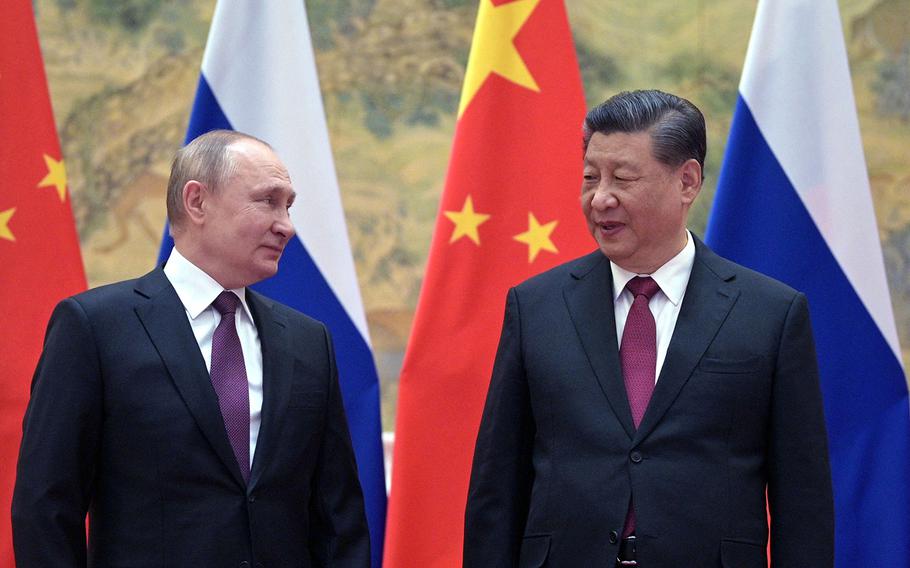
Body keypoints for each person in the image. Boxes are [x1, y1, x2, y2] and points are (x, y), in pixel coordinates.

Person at [463, 90, 833, 567]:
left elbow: (802, 500)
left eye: (623, 179)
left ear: (687, 181)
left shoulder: (770, 314)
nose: (600, 198)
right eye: (590, 178)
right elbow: (498, 485)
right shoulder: (537, 307)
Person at [12, 130, 370, 567]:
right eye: (268, 201)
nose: (287, 226)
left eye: (288, 205)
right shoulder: (95, 328)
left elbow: (339, 516)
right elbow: (47, 505)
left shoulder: (308, 341)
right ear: (197, 201)